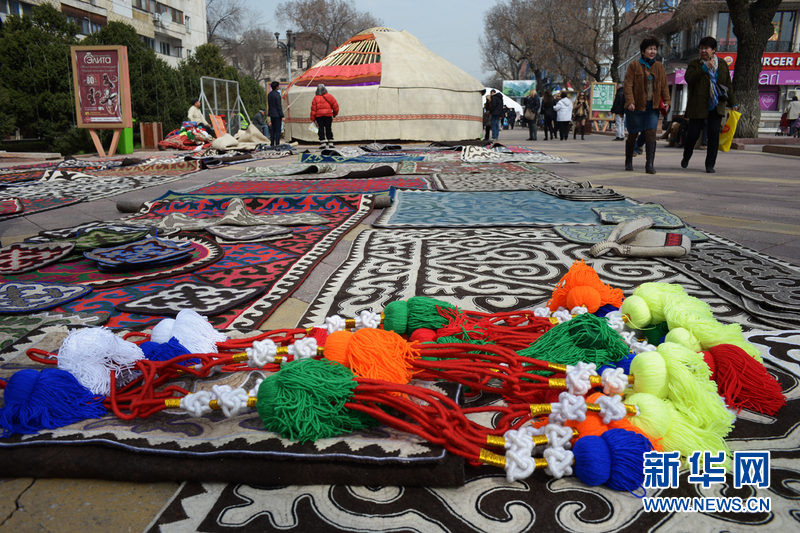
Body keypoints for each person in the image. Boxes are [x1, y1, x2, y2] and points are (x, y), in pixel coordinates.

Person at [680, 36, 737, 173]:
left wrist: (733, 102)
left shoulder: (722, 64)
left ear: (714, 50)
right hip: (698, 105)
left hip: (716, 106)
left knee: (713, 136)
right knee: (693, 134)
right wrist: (705, 68)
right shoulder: (695, 64)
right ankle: (686, 156)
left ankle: (710, 164)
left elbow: (728, 85)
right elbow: (689, 79)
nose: (703, 51)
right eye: (701, 48)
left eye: (706, 48)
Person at [624, 38, 670, 174]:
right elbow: (628, 85)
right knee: (633, 134)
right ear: (643, 51)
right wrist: (630, 101)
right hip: (636, 106)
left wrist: (667, 101)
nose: (653, 51)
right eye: (650, 49)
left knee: (651, 133)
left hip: (652, 107)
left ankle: (649, 164)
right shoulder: (634, 65)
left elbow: (664, 86)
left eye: (655, 49)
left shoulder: (659, 67)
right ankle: (628, 160)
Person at [310, 84, 339, 149]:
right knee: (328, 129)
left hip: (319, 117)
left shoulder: (315, 98)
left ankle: (323, 144)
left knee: (321, 129)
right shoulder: (330, 96)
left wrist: (313, 119)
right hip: (328, 116)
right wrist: (334, 114)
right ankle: (331, 144)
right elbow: (335, 106)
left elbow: (313, 109)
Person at [267, 81, 284, 147]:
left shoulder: (269, 94)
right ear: (277, 87)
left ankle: (272, 143)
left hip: (271, 114)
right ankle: (277, 143)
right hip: (277, 114)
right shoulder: (277, 95)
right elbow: (278, 106)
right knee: (278, 130)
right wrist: (282, 115)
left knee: (273, 129)